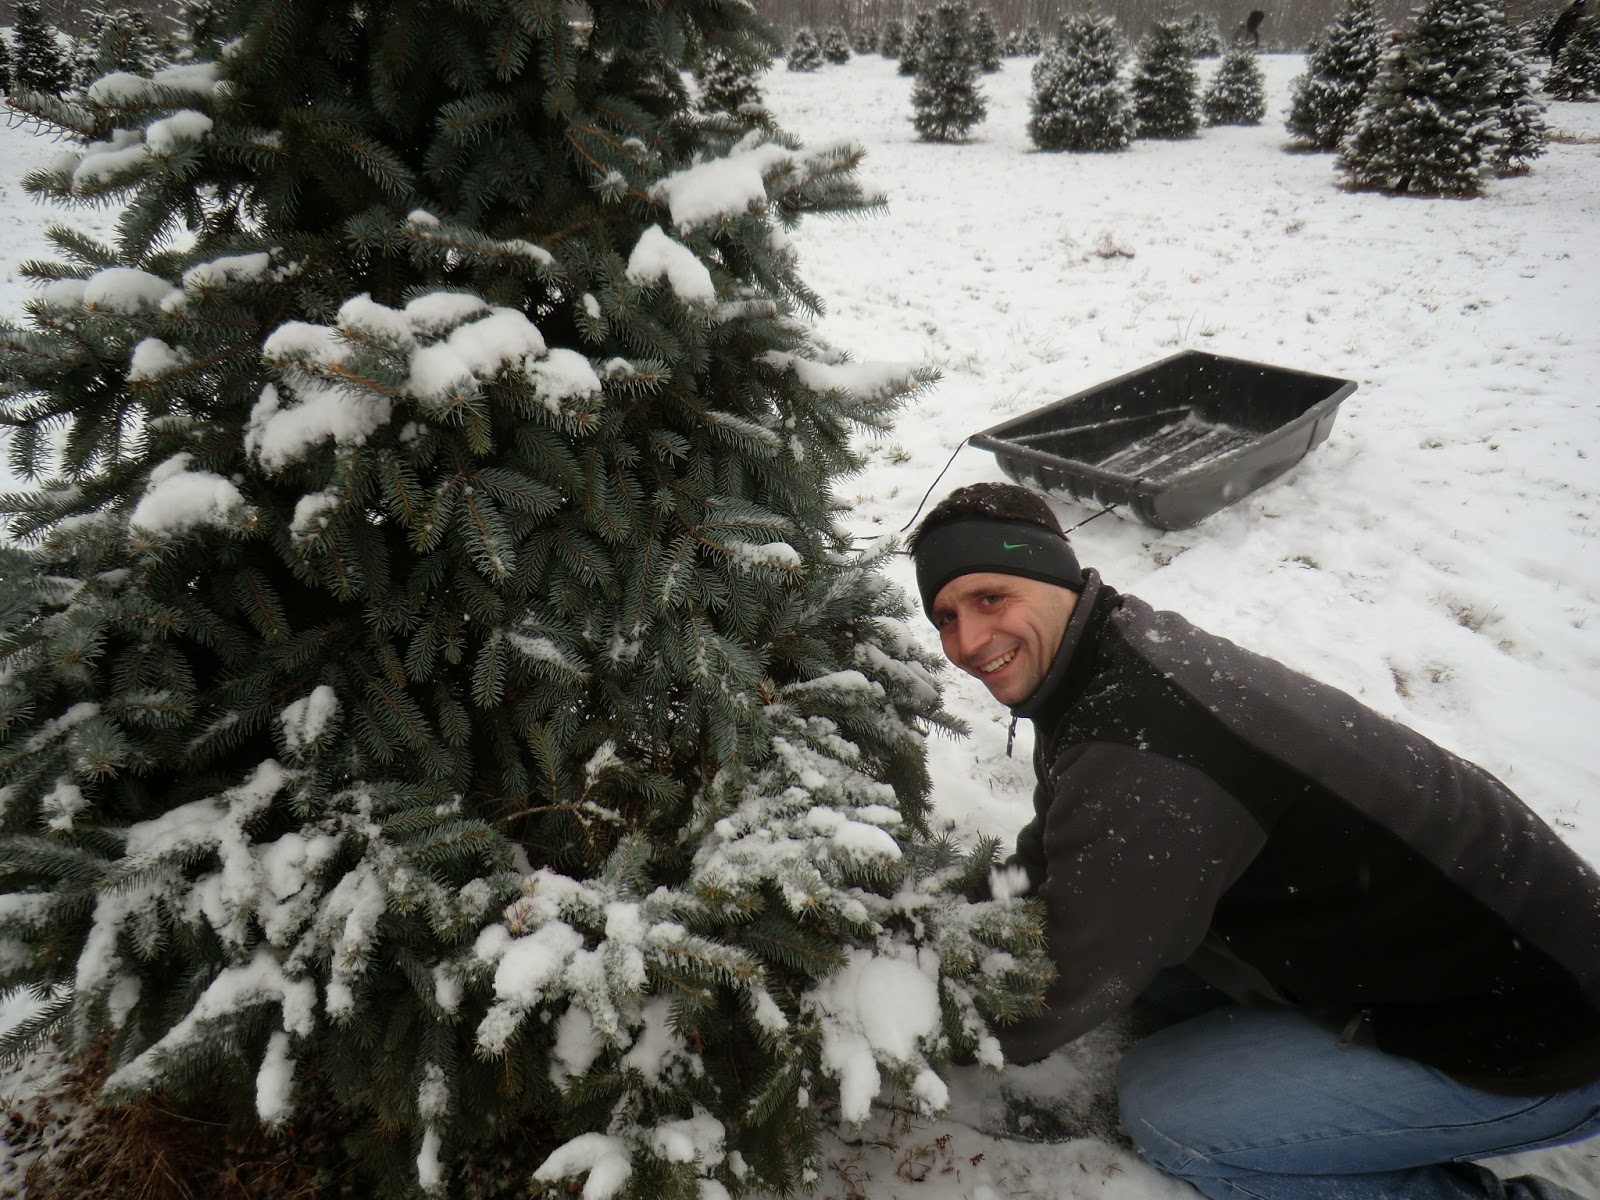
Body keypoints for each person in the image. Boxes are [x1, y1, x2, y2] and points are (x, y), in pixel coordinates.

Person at [909, 480, 1600, 1200]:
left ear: (1053, 578)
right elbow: (1062, 855)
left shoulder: (1142, 746)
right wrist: (957, 913)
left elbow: (1067, 977)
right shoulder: (1108, 655)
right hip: (1477, 954)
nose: (967, 642)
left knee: (1174, 1113)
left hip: (1538, 1030)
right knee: (1151, 957)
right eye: (945, 617)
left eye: (991, 598)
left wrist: (913, 1024)